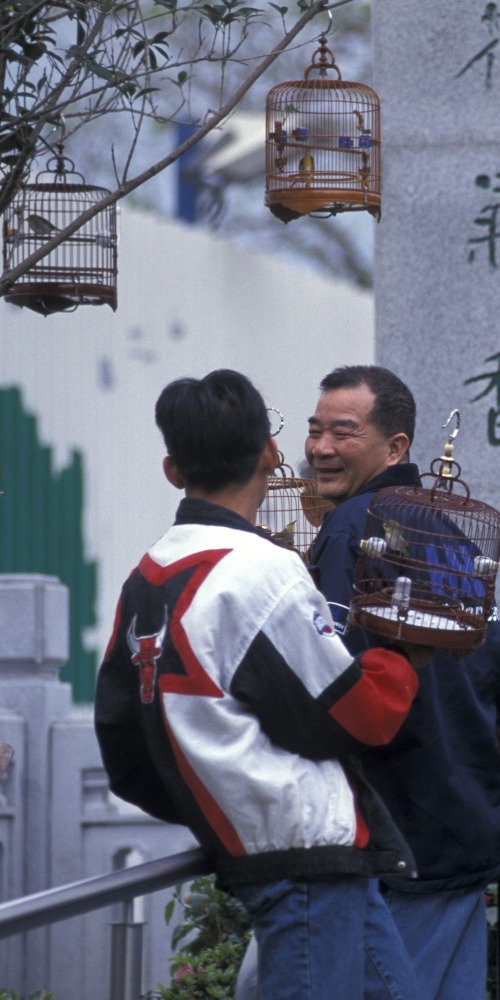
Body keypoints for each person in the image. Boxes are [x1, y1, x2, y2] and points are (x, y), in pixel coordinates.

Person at [94, 368, 430, 1000]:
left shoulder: (147, 577)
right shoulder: (261, 568)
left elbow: (123, 741)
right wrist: (403, 654)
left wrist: (217, 802)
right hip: (305, 855)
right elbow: (359, 714)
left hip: (282, 851)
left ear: (173, 470)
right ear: (272, 455)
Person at [306, 365, 500, 999]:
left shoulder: (351, 530)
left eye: (343, 432)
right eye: (315, 431)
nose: (321, 448)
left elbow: (334, 686)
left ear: (395, 448)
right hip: (463, 827)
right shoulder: (453, 536)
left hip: (399, 838)